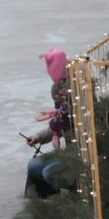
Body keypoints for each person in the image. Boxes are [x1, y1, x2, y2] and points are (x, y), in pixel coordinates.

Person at [25, 47, 72, 197]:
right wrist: (38, 137)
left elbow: (60, 120)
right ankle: (48, 200)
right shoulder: (61, 91)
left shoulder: (73, 95)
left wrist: (54, 123)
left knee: (49, 172)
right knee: (33, 166)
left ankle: (78, 190)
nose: (56, 107)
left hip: (77, 156)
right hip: (69, 153)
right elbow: (58, 121)